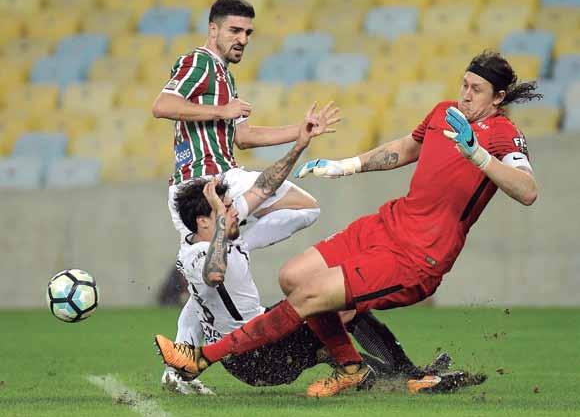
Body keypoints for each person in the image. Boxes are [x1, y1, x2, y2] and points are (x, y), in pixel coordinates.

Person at [155, 50, 538, 397]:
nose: (466, 95)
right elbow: (406, 147)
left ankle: (201, 358)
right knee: (293, 275)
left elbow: (527, 191)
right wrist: (346, 165)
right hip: (388, 224)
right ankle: (352, 366)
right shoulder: (444, 113)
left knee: (312, 295)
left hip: (422, 254)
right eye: (464, 84)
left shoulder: (504, 135)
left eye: (477, 90)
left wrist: (479, 156)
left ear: (499, 98)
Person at [168, 106, 472, 392]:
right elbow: (214, 274)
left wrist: (300, 143)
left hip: (256, 337)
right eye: (227, 208)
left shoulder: (222, 231)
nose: (235, 211)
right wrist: (225, 223)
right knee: (335, 305)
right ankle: (409, 376)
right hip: (251, 358)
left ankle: (386, 375)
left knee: (327, 298)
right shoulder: (195, 254)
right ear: (203, 221)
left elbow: (266, 186)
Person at [152, 0, 335, 392]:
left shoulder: (226, 77)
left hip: (214, 179)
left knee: (204, 290)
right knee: (307, 208)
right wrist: (221, 112)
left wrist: (299, 132)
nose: (243, 39)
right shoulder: (198, 62)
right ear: (213, 29)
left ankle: (178, 370)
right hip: (206, 182)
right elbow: (162, 104)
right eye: (235, 30)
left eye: (248, 32)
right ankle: (235, 245)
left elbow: (244, 136)